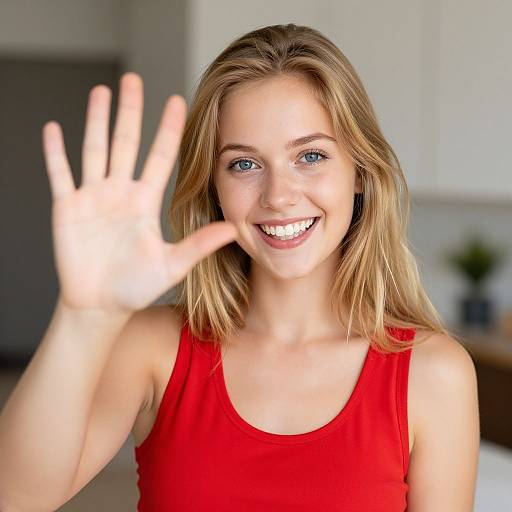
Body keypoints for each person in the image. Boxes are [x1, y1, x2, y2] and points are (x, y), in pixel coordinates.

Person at [0, 23, 479, 511]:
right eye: (244, 164)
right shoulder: (154, 350)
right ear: (214, 188)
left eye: (310, 155)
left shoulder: (434, 374)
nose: (278, 195)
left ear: (359, 172)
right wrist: (84, 316)